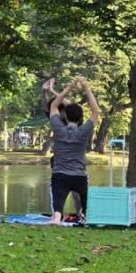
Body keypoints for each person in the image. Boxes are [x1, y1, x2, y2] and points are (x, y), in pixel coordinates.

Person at [48, 76, 99, 225]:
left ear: (65, 116)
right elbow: (95, 112)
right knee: (85, 205)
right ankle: (85, 216)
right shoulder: (83, 131)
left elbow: (54, 106)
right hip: (79, 176)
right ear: (81, 118)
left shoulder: (58, 128)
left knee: (58, 205)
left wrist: (69, 88)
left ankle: (57, 217)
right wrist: (86, 88)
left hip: (60, 175)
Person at [41, 78, 82, 217]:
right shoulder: (58, 123)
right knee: (58, 190)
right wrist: (44, 91)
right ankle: (57, 214)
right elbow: (49, 107)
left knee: (77, 193)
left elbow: (66, 104)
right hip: (59, 160)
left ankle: (80, 214)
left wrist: (52, 90)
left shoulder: (77, 121)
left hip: (75, 162)